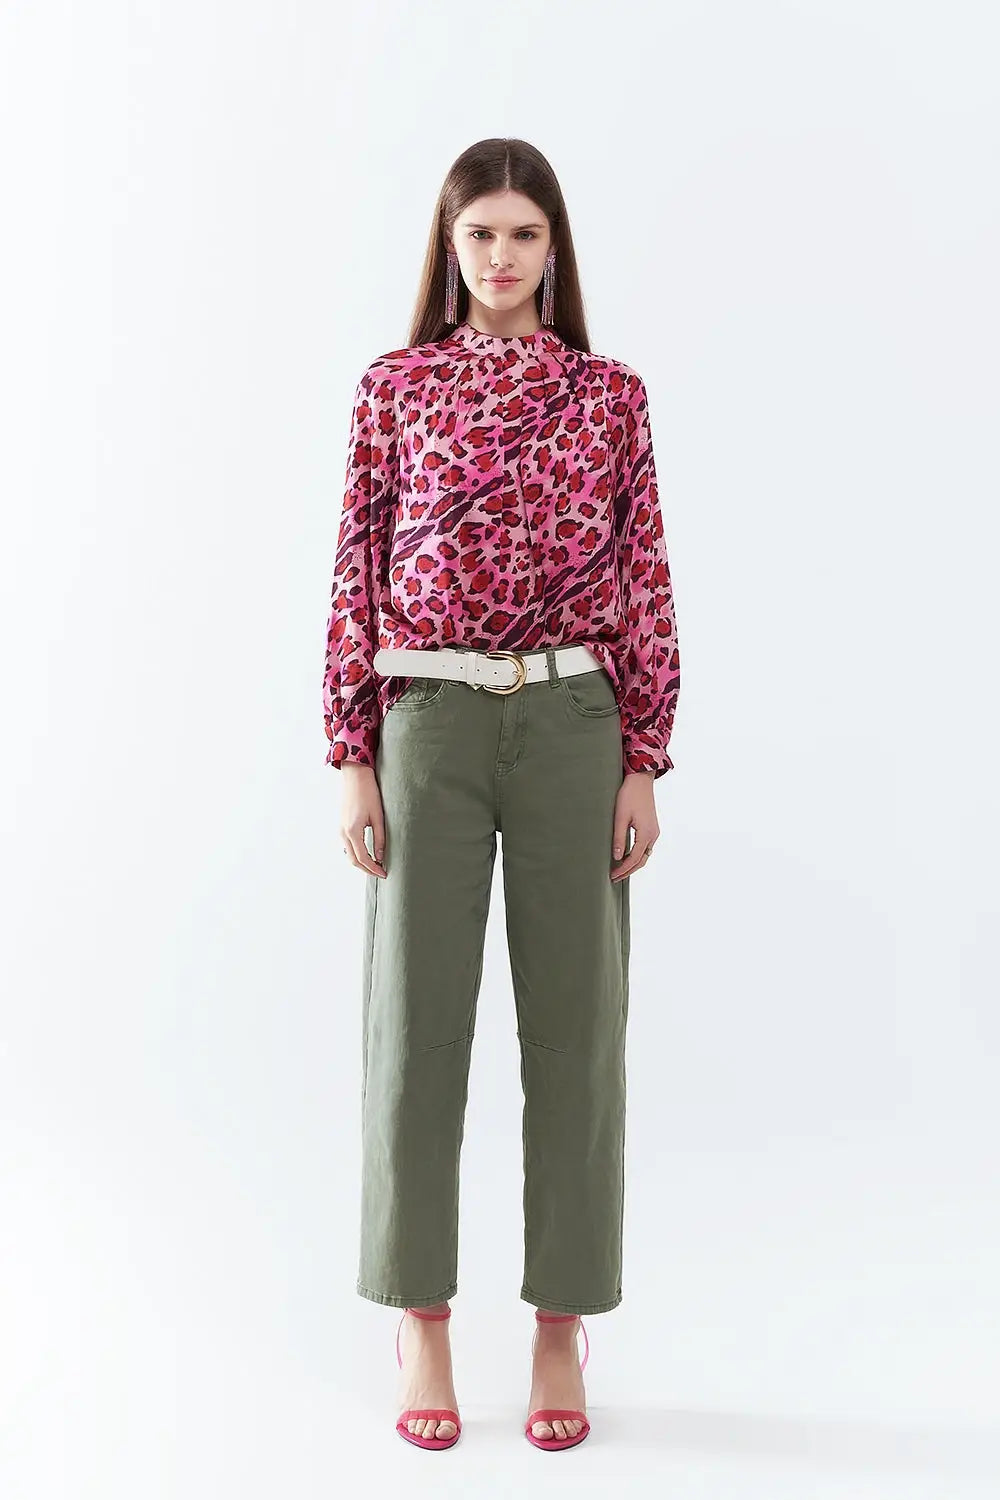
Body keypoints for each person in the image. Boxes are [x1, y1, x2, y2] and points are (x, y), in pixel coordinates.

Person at [322, 137, 680, 1452]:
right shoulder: (394, 388)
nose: (503, 256)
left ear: (555, 247)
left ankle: (560, 1324)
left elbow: (646, 572)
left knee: (577, 1030)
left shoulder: (609, 397)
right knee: (416, 1024)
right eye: (481, 233)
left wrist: (643, 755)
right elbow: (356, 567)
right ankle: (419, 1313)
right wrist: (351, 753)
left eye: (526, 233)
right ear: (450, 244)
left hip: (576, 720)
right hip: (427, 720)